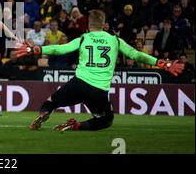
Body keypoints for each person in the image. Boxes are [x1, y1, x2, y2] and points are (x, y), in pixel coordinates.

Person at [15, 10, 184, 131]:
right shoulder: (114, 40)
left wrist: (36, 50)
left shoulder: (84, 38)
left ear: (89, 25)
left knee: (50, 102)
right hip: (98, 90)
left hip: (78, 83)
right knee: (105, 120)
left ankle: (45, 113)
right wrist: (161, 63)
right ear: (104, 25)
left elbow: (61, 49)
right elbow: (136, 55)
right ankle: (78, 125)